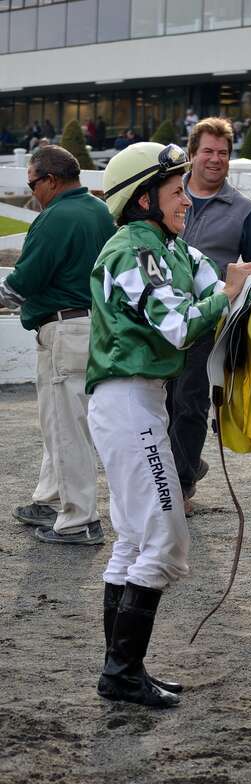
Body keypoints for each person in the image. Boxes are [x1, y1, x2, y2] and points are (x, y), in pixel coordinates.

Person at [86, 141, 251, 708]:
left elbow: (218, 289)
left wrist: (240, 285)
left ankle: (121, 672)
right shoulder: (131, 250)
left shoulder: (169, 247)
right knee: (163, 538)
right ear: (144, 198)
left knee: (135, 538)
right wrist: (230, 289)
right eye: (174, 190)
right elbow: (178, 326)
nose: (186, 198)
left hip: (142, 402)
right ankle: (122, 673)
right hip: (128, 402)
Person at [0, 145, 116, 544]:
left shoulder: (56, 216)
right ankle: (49, 500)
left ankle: (80, 519)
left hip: (64, 328)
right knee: (63, 424)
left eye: (34, 183)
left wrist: (6, 290)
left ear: (51, 179)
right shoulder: (99, 210)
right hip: (90, 325)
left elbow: (23, 283)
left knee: (66, 428)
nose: (33, 191)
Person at [166, 117, 251, 514]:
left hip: (209, 321)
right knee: (158, 401)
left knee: (190, 402)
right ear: (191, 154)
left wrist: (239, 284)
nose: (215, 159)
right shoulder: (168, 197)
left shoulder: (245, 211)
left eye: (223, 153)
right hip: (160, 317)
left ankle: (181, 487)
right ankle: (185, 463)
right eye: (207, 151)